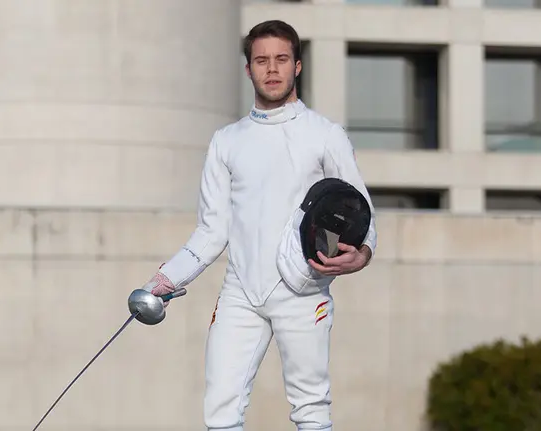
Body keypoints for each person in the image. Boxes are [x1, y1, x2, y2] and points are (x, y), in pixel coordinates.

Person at [142, 19, 378, 431]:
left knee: (311, 408)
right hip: (241, 293)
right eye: (262, 60)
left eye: (281, 59)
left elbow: (362, 211)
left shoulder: (325, 135)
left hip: (303, 290)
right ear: (248, 69)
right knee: (220, 408)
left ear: (298, 66)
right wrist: (164, 280)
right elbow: (212, 231)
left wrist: (361, 255)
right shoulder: (226, 141)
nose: (272, 69)